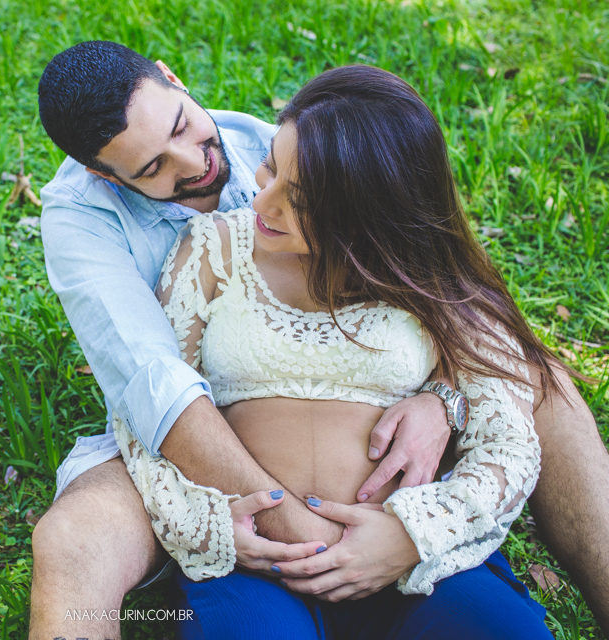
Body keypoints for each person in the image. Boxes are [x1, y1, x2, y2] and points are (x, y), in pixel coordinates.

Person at [31, 41, 609, 640]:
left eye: (183, 126)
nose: (194, 163)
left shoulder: (289, 141)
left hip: (386, 479)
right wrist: (294, 530)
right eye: (153, 168)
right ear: (105, 173)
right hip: (182, 437)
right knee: (74, 539)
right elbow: (153, 388)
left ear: (173, 80)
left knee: (542, 383)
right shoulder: (84, 222)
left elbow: (463, 303)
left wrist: (443, 399)